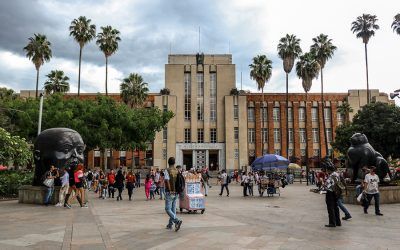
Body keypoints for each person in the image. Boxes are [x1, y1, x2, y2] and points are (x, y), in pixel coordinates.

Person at [164, 157, 184, 232]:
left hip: (170, 192)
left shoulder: (167, 170)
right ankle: (170, 224)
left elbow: (167, 181)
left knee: (167, 209)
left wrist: (169, 190)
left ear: (168, 162)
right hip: (176, 192)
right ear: (174, 163)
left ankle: (177, 221)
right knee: (173, 208)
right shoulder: (177, 170)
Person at [324, 163, 341, 227]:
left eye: (327, 170)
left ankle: (332, 223)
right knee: (336, 207)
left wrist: (324, 185)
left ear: (329, 170)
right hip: (336, 192)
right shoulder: (337, 174)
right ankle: (338, 222)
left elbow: (328, 184)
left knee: (330, 208)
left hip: (330, 192)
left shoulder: (331, 175)